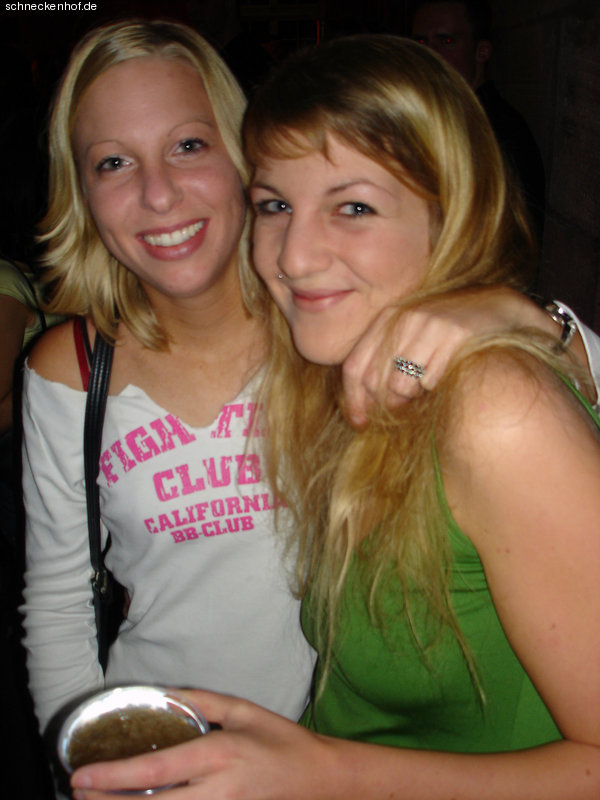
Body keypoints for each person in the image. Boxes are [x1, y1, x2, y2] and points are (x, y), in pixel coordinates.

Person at [70, 34, 600, 800]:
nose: (294, 256)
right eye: (275, 206)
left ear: (449, 216)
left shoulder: (494, 409)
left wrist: (321, 772)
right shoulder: (338, 377)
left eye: (354, 207)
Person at [410, 0, 546, 252]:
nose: (429, 54)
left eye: (446, 41)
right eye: (421, 42)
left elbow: (506, 244)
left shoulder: (496, 132)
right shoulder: (431, 120)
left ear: (481, 51)